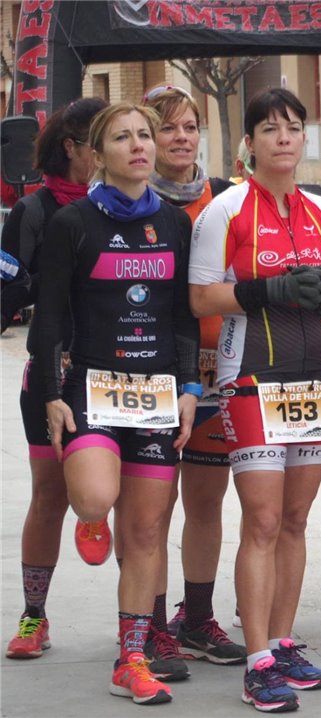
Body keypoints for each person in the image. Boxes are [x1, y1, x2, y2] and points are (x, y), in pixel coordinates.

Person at [190, 88, 321, 711]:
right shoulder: (225, 210)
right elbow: (200, 298)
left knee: (295, 519)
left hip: (312, 381)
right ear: (250, 142)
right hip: (250, 379)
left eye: (293, 127)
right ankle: (256, 657)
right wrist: (268, 290)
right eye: (270, 128)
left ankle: (282, 642)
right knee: (260, 519)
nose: (284, 137)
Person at [35, 102, 200, 704]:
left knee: (148, 530)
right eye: (123, 137)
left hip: (157, 393)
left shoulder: (174, 223)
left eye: (144, 136)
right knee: (95, 496)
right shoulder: (72, 222)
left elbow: (181, 316)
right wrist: (50, 394)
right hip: (91, 386)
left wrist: (189, 389)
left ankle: (131, 657)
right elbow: (48, 317)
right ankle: (91, 516)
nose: (139, 146)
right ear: (98, 153)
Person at [143, 84, 245, 668]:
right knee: (151, 510)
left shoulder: (225, 197)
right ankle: (149, 624)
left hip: (213, 372)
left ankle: (197, 618)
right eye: (168, 128)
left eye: (190, 127)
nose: (182, 138)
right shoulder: (127, 200)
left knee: (207, 500)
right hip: (150, 376)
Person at [3, 97, 108, 661]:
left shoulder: (127, 206)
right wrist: (32, 287)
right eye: (104, 141)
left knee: (139, 503)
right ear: (73, 147)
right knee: (49, 496)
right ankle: (33, 617)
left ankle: (146, 627)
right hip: (54, 372)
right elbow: (4, 293)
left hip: (125, 375)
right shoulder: (33, 211)